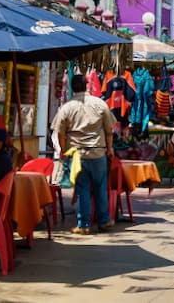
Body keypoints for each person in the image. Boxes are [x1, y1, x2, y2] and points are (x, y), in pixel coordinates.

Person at [51, 74, 116, 234]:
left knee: (82, 189)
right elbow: (109, 130)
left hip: (77, 156)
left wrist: (63, 150)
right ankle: (104, 221)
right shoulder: (100, 104)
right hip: (98, 153)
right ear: (87, 85)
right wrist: (109, 149)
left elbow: (60, 132)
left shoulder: (66, 107)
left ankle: (84, 224)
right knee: (100, 187)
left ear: (72, 87)